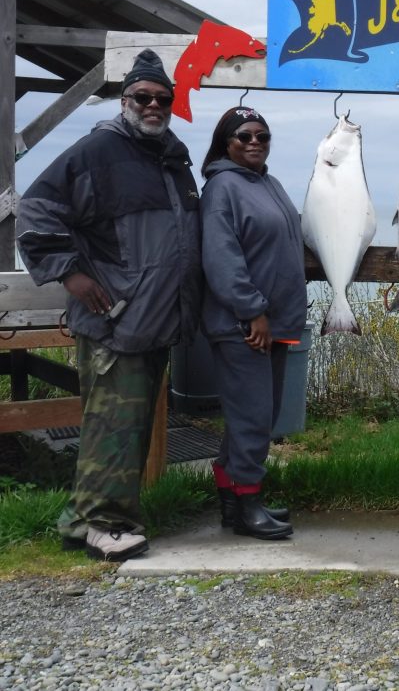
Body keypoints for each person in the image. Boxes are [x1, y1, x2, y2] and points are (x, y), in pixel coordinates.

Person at [16, 49, 202, 562]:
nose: (153, 105)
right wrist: (69, 272)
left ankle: (85, 518)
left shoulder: (171, 158)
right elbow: (35, 208)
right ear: (125, 101)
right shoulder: (98, 151)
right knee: (112, 426)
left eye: (163, 98)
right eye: (143, 97)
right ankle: (104, 523)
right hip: (114, 319)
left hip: (154, 321)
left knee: (129, 424)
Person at [199, 106, 306, 541]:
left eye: (262, 135)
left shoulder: (269, 182)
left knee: (257, 415)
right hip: (245, 325)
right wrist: (252, 310)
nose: (255, 142)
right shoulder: (221, 187)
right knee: (254, 418)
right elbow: (221, 257)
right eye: (244, 136)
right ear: (226, 142)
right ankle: (248, 505)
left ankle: (233, 502)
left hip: (275, 322)